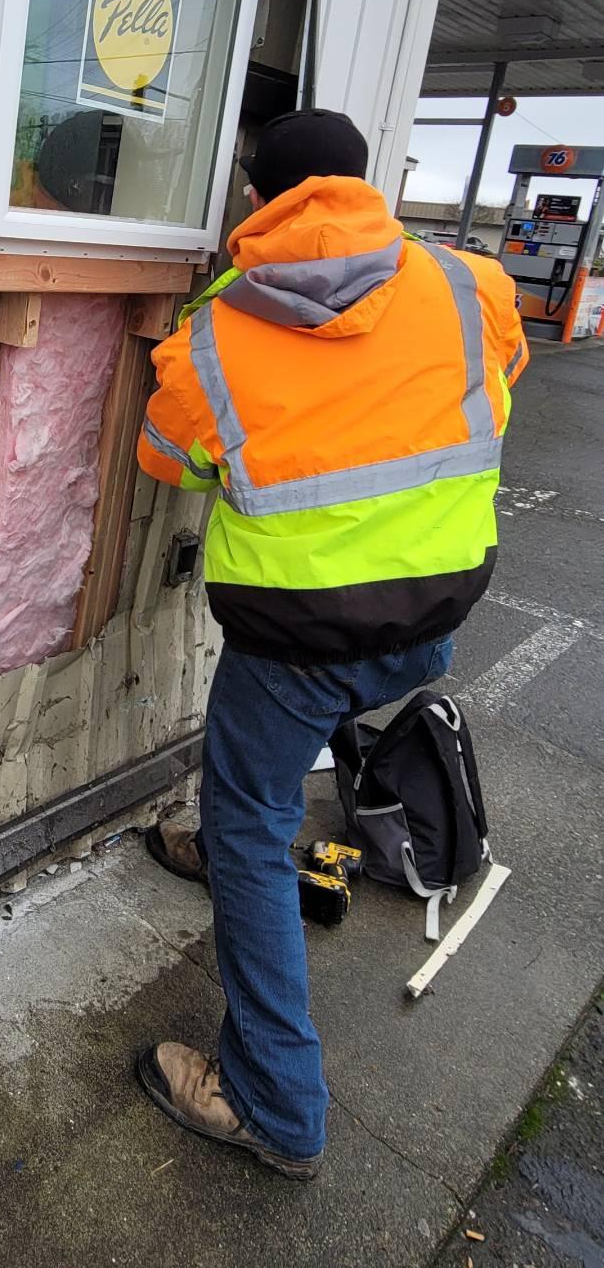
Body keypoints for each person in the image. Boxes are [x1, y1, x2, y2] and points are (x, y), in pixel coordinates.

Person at [134, 108, 528, 1180]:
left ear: (256, 200)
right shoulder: (467, 284)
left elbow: (168, 458)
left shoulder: (213, 331)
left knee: (252, 813)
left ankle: (275, 1104)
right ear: (362, 182)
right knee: (263, 787)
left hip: (298, 639)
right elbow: (495, 384)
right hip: (434, 613)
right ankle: (228, 848)